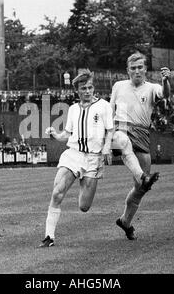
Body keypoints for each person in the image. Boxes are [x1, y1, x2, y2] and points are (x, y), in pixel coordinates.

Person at [39, 71, 114, 248]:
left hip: (94, 159)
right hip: (74, 155)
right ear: (77, 91)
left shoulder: (104, 106)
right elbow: (67, 135)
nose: (88, 91)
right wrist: (55, 134)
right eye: (83, 88)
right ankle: (49, 236)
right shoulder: (73, 109)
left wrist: (107, 147)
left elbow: (110, 130)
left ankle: (82, 180)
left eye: (90, 87)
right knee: (57, 192)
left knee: (84, 206)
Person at [109, 52, 171, 240]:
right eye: (133, 68)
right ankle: (141, 176)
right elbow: (109, 110)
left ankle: (125, 222)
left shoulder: (152, 88)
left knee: (141, 188)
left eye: (140, 67)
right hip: (122, 129)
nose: (137, 71)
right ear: (127, 70)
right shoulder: (119, 86)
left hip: (142, 133)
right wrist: (107, 135)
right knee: (122, 142)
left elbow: (165, 94)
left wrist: (166, 80)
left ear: (145, 69)